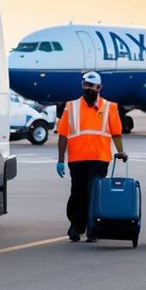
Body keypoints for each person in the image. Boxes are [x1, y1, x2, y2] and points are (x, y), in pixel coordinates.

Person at [56, 71, 127, 242]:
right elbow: (63, 134)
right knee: (77, 193)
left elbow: (116, 133)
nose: (88, 88)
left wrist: (120, 150)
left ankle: (92, 228)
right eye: (86, 85)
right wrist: (60, 160)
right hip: (77, 158)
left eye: (92, 86)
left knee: (93, 192)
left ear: (99, 87)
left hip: (99, 158)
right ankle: (76, 226)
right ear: (82, 85)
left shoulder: (109, 107)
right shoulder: (71, 106)